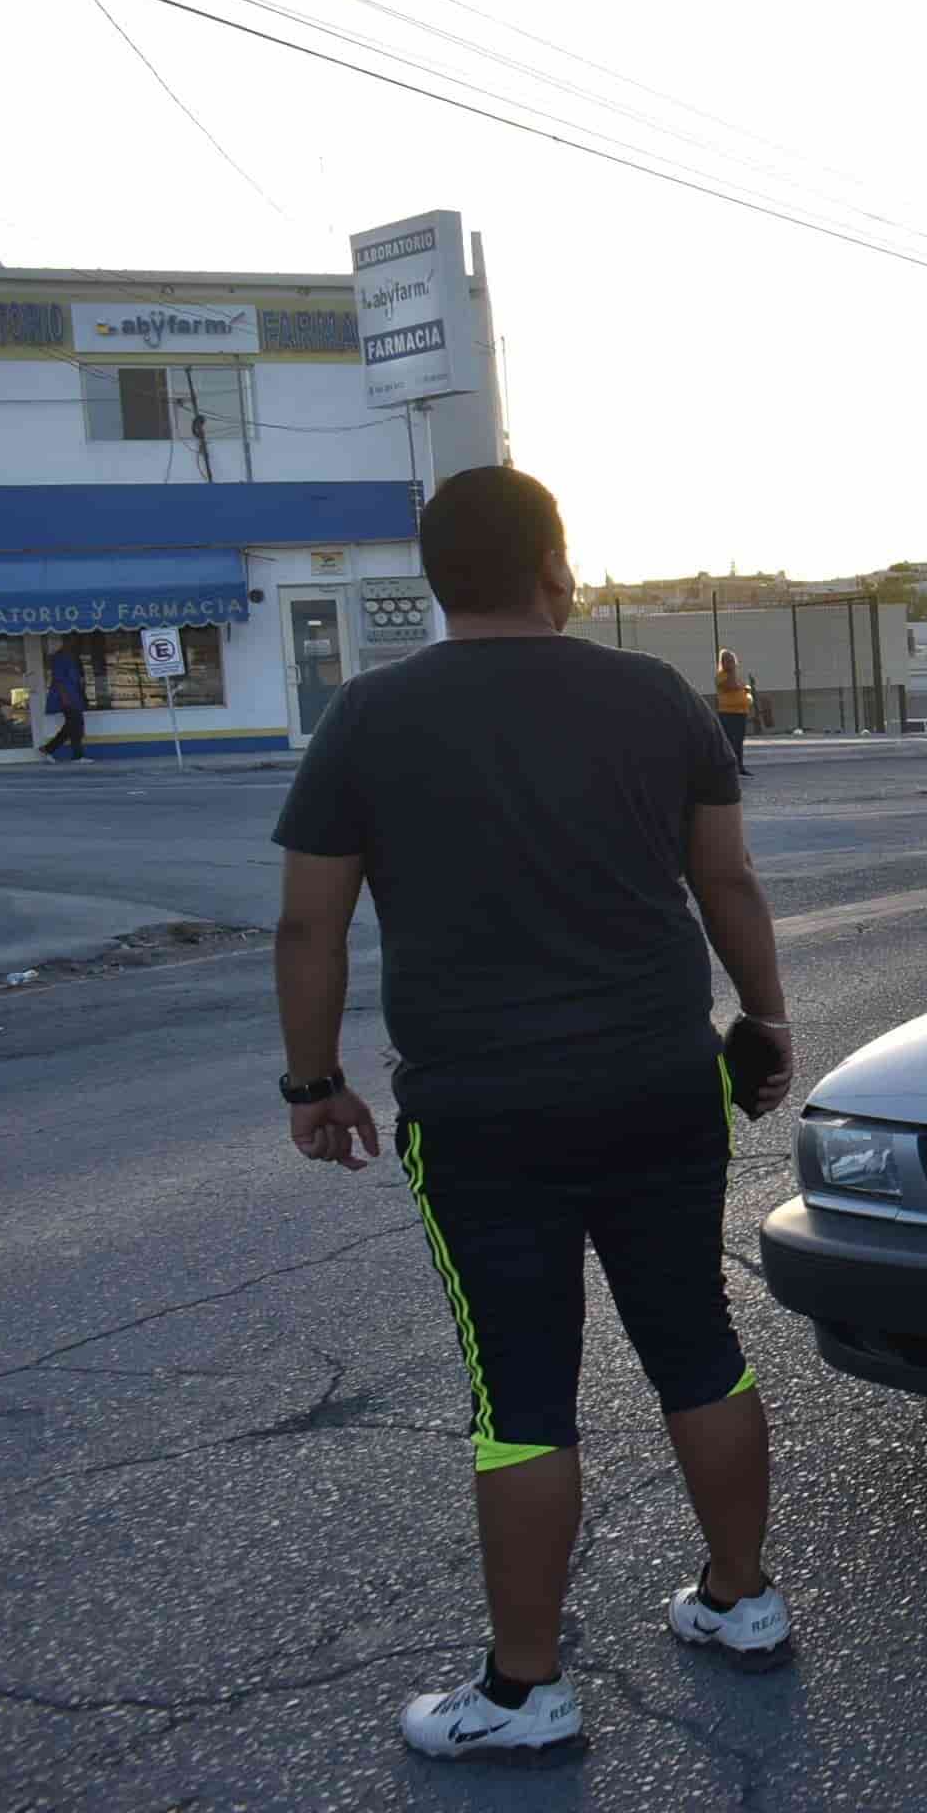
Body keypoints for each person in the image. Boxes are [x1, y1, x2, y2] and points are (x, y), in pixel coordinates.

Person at [269, 465, 798, 1766]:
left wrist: (313, 1081)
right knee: (695, 1343)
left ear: (439, 581)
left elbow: (309, 922)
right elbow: (724, 879)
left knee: (521, 1396)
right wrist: (764, 1018)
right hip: (661, 1084)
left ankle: (524, 1691)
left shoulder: (370, 719)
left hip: (485, 1113)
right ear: (557, 570)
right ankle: (742, 1600)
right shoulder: (655, 697)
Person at [39, 642, 87, 762]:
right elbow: (59, 681)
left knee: (73, 725)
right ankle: (76, 755)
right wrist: (65, 698)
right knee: (75, 724)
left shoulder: (71, 658)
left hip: (74, 696)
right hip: (67, 697)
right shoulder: (60, 659)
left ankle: (49, 749)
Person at [714, 648, 755, 775]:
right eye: (728, 660)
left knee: (739, 741)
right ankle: (729, 768)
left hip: (740, 712)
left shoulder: (735, 676)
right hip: (728, 713)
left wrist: (747, 690)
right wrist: (732, 671)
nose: (731, 663)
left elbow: (741, 687)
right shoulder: (721, 676)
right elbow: (732, 686)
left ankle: (739, 766)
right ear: (723, 662)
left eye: (732, 660)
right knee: (731, 741)